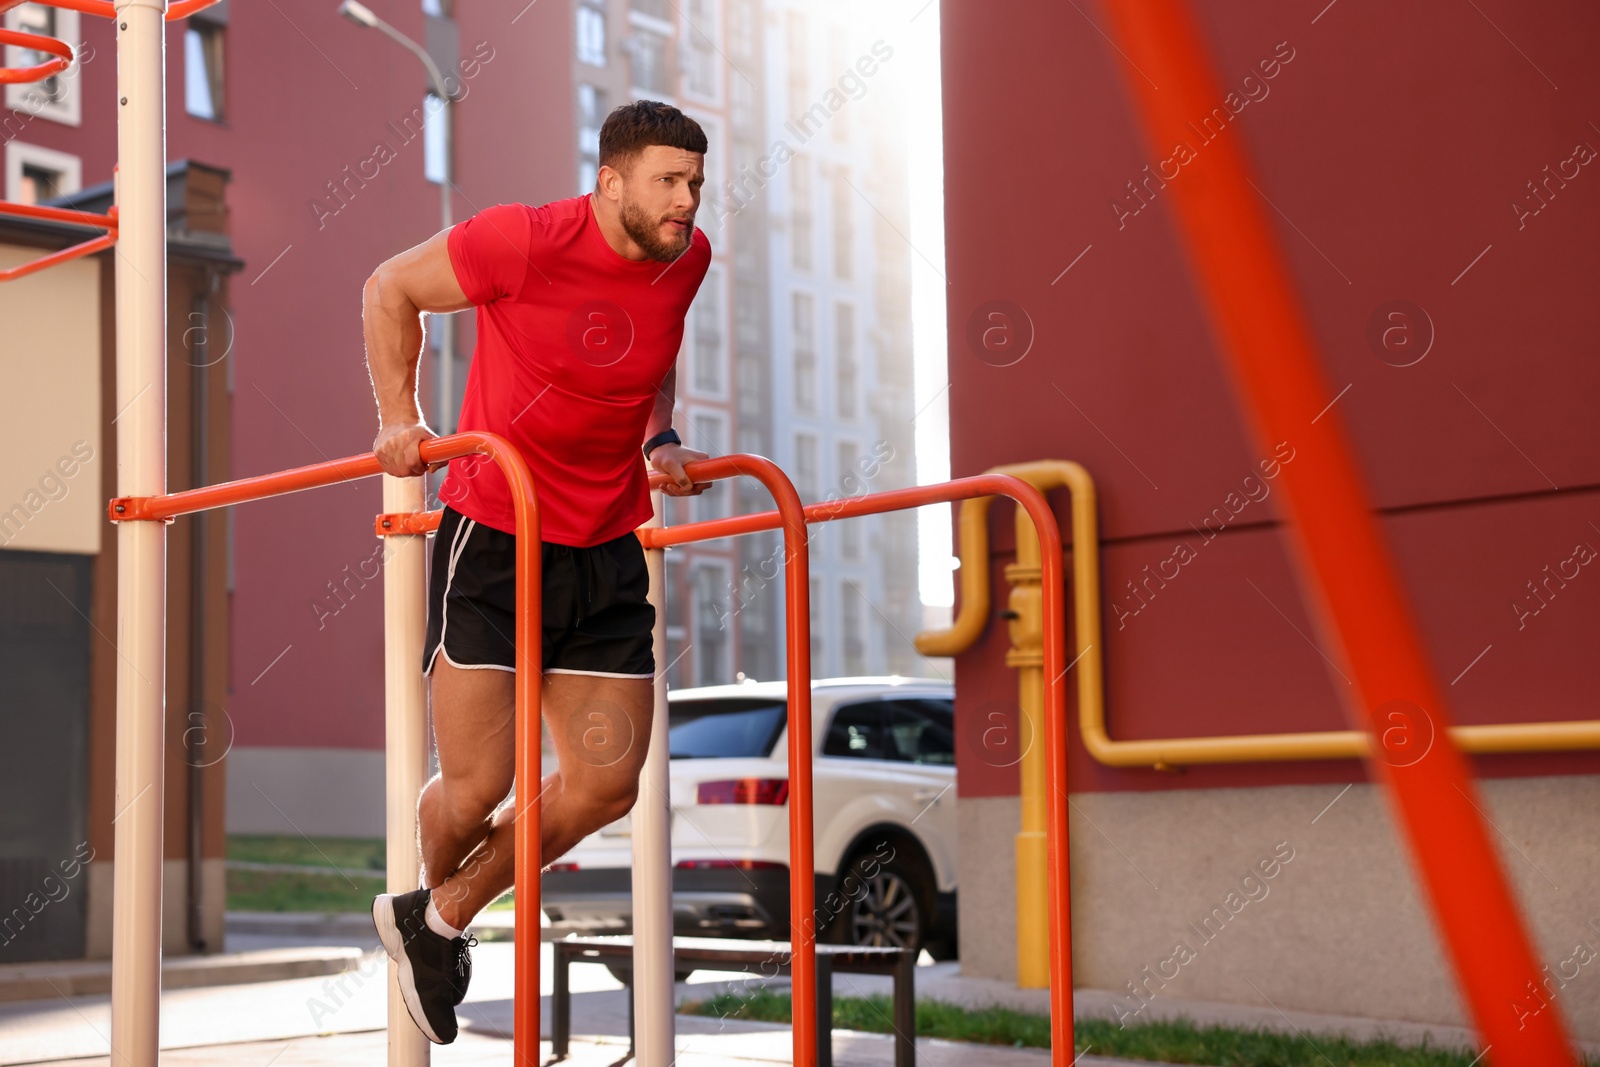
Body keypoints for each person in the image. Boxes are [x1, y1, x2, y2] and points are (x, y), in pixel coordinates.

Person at [361, 100, 713, 1043]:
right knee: (474, 788)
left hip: (605, 546)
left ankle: (433, 919)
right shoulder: (519, 240)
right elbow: (388, 288)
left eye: (695, 184)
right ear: (610, 181)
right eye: (668, 182)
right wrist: (403, 416)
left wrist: (662, 433)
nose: (687, 201)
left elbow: (655, 349)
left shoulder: (687, 257)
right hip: (498, 528)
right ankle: (437, 921)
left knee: (605, 783)